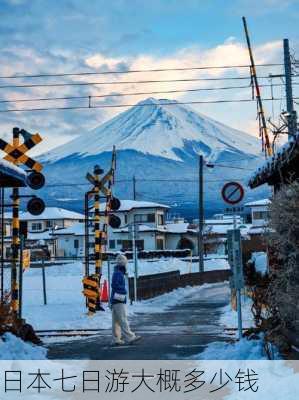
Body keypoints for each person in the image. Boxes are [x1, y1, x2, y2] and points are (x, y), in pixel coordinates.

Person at [110, 254, 141, 345]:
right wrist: (123, 291)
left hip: (115, 299)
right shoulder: (118, 273)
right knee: (123, 319)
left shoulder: (117, 272)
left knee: (116, 320)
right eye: (125, 263)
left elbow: (114, 285)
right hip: (119, 298)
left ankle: (116, 339)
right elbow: (115, 285)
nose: (125, 265)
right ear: (123, 263)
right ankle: (130, 337)